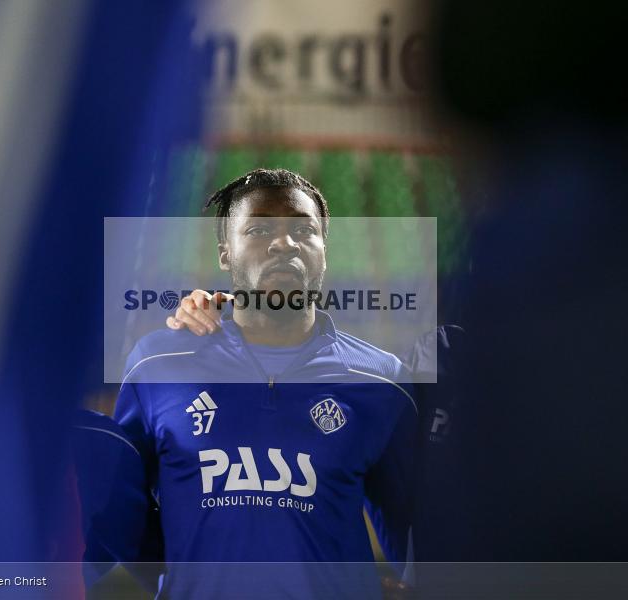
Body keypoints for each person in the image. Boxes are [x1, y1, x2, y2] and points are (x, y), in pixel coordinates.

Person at [110, 168, 419, 598]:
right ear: (225, 253)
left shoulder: (382, 381)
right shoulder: (158, 365)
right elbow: (121, 514)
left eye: (304, 230)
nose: (283, 243)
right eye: (257, 229)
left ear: (324, 249)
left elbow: (416, 538)